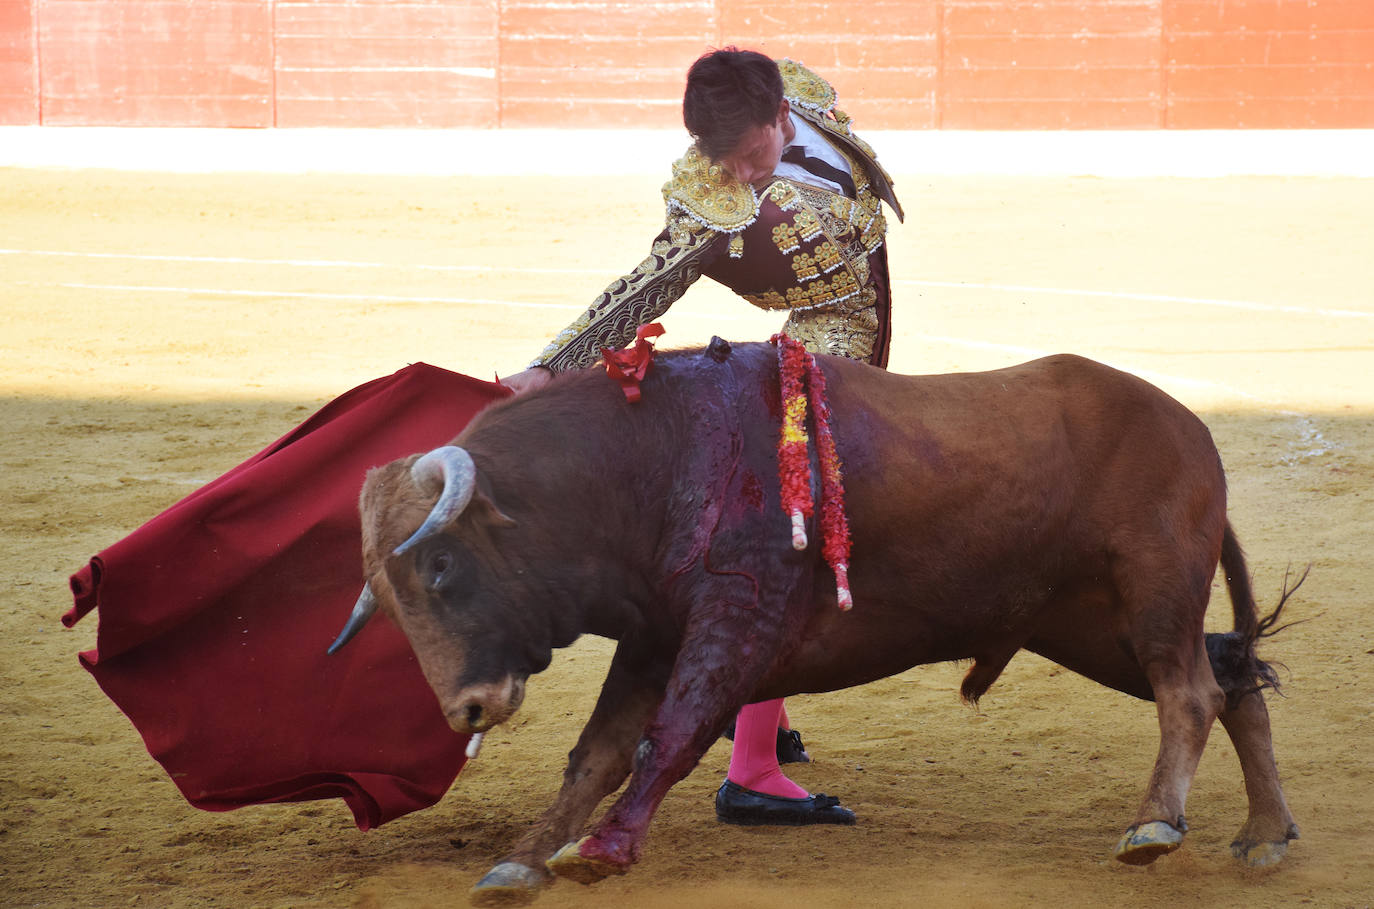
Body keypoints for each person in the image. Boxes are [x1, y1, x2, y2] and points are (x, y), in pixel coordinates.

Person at [502, 48, 904, 826]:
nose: (743, 176)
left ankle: (767, 723)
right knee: (799, 535)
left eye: (752, 153)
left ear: (777, 112)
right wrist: (548, 368)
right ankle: (751, 769)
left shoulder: (804, 95)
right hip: (823, 354)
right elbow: (646, 284)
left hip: (859, 327)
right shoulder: (710, 199)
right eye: (725, 162)